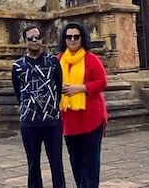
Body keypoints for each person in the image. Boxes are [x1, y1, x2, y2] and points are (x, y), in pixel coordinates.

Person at [11, 26, 65, 188]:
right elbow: (18, 92)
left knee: (56, 162)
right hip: (29, 123)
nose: (34, 41)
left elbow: (59, 86)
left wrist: (51, 107)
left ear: (43, 40)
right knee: (33, 163)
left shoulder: (53, 62)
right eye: (30, 38)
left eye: (37, 37)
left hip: (52, 121)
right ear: (25, 42)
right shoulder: (18, 66)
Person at [57, 22, 108, 188]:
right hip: (69, 118)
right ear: (64, 39)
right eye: (68, 37)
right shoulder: (58, 60)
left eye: (76, 37)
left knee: (91, 161)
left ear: (82, 39)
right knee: (76, 159)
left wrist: (80, 88)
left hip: (91, 118)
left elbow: (102, 82)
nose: (72, 40)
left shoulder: (91, 59)